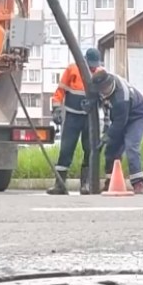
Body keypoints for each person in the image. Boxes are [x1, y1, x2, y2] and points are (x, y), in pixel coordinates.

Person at [46, 48, 104, 195]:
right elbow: (59, 92)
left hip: (90, 118)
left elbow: (104, 96)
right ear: (84, 60)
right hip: (72, 117)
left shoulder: (100, 73)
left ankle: (86, 184)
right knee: (66, 150)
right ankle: (60, 185)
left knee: (89, 150)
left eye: (94, 65)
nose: (92, 68)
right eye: (90, 65)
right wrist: (56, 110)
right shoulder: (72, 69)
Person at [91, 69, 143, 194]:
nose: (104, 91)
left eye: (106, 89)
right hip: (121, 118)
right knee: (111, 149)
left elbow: (120, 123)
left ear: (110, 83)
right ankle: (110, 181)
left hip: (138, 116)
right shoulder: (102, 85)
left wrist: (106, 136)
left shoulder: (121, 98)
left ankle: (138, 183)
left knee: (131, 145)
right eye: (101, 90)